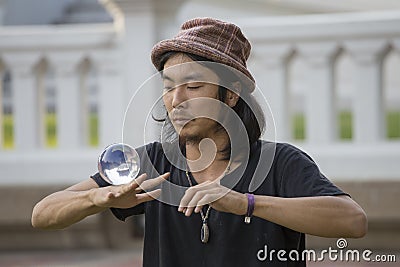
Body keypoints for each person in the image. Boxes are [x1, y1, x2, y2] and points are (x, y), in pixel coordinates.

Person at [32, 18, 367, 267]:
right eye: (168, 86)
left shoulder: (280, 163)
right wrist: (97, 197)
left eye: (193, 86)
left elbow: (353, 221)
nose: (175, 100)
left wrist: (245, 203)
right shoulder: (151, 164)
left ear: (231, 94)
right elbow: (42, 214)